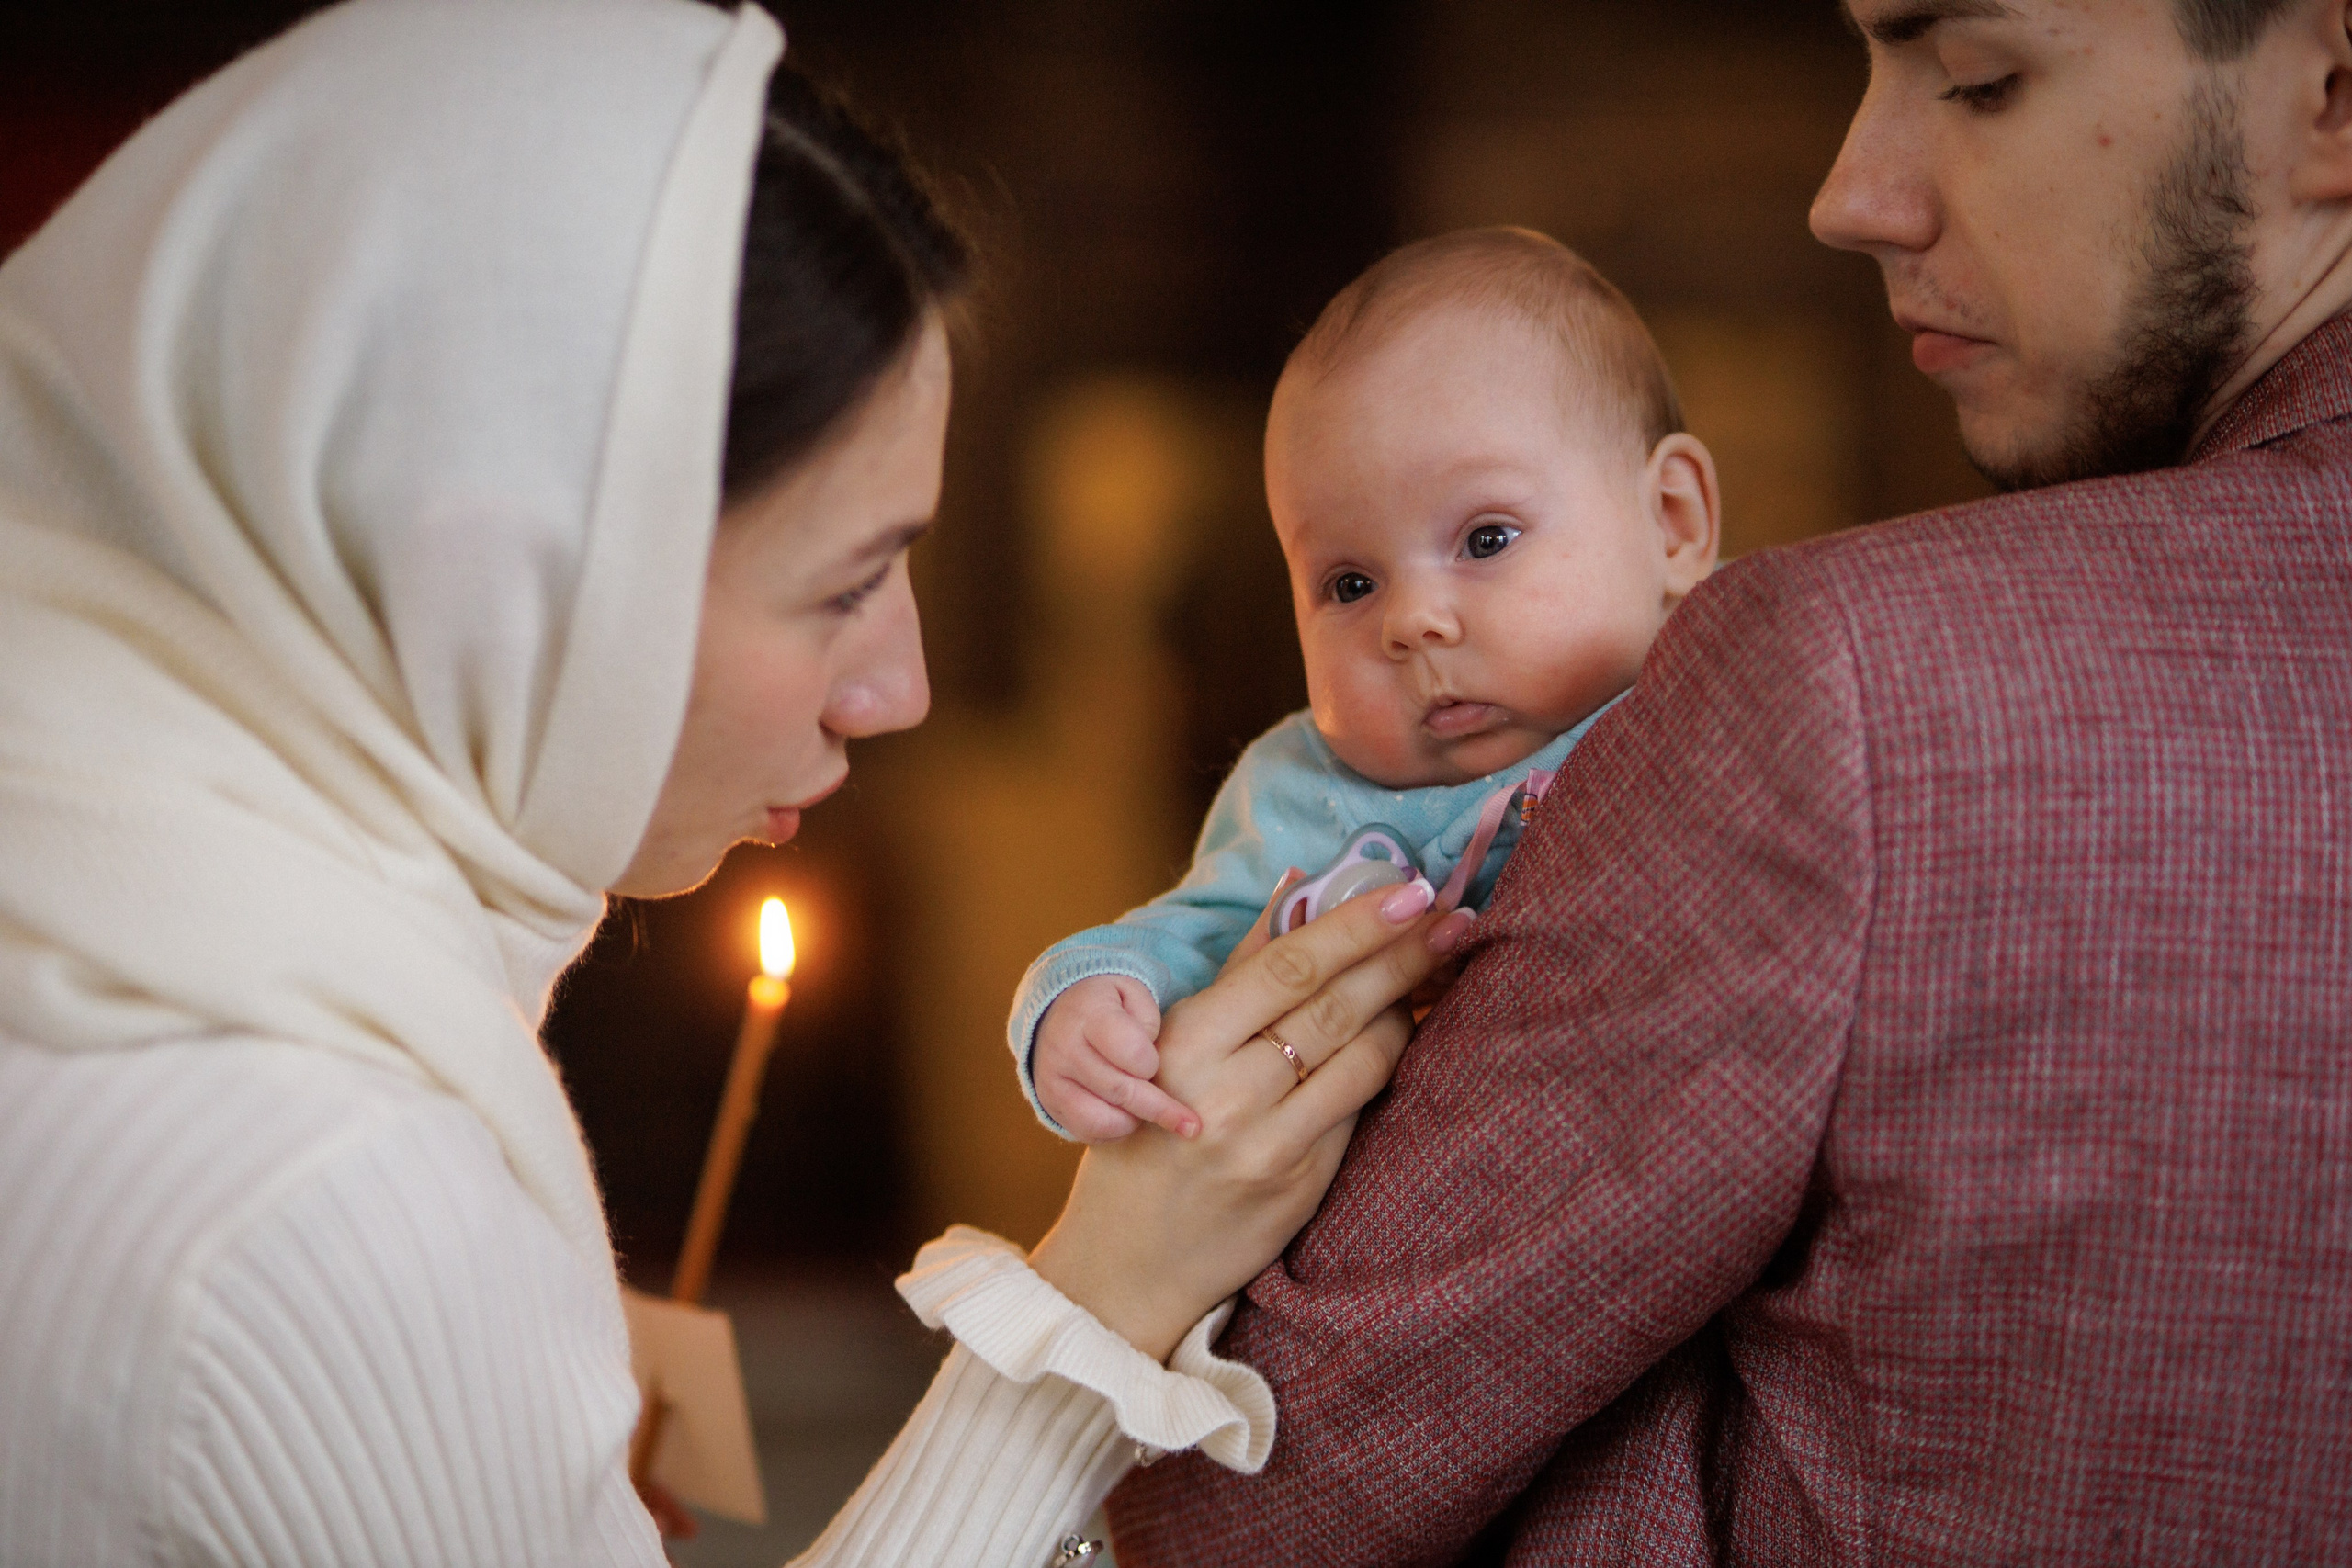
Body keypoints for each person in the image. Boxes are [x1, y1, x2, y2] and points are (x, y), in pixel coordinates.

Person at [0, 3, 1464, 1563]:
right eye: (846, 584)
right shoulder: (322, 1191)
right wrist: (1104, 1298)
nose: (897, 690)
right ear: (507, 568)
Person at [1110, 0, 2352, 1560]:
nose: (1850, 195)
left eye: (1980, 78)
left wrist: (1105, 1290)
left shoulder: (1843, 681)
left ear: (2332, 90)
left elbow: (1255, 1478)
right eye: (1346, 581)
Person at [1012, 229, 1721, 1142]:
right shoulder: (1312, 797)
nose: (1410, 621)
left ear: (1672, 523)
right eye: (1350, 585)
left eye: (1486, 539)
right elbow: (1196, 935)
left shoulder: (1726, 697)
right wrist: (1087, 1005)